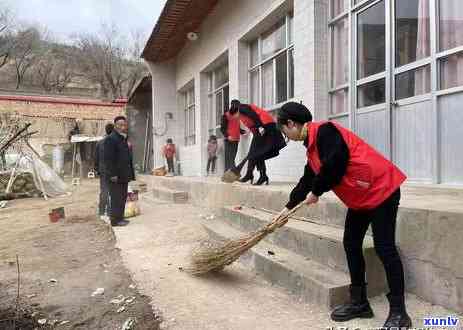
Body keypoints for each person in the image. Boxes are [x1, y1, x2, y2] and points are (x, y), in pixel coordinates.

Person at [277, 102, 411, 329]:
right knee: (351, 242)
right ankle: (359, 302)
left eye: (285, 131)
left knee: (384, 247)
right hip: (362, 196)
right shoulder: (312, 149)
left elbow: (335, 164)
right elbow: (307, 179)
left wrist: (317, 192)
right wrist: (287, 208)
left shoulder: (326, 131)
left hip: (382, 189)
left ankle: (399, 312)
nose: (287, 136)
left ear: (290, 123)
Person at [228, 99, 286, 185]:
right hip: (260, 129)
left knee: (256, 153)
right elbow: (252, 124)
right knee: (255, 153)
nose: (235, 118)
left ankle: (255, 175)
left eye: (234, 116)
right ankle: (255, 175)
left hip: (266, 126)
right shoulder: (241, 115)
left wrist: (260, 126)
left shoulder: (242, 108)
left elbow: (254, 115)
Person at [103, 116, 135, 227]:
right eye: (120, 125)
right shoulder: (111, 139)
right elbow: (108, 159)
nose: (123, 127)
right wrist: (112, 174)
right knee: (116, 198)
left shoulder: (123, 138)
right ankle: (115, 221)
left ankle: (120, 218)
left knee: (122, 197)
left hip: (123, 174)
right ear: (115, 126)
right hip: (115, 176)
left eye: (124, 125)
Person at [94, 123, 114, 223]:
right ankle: (110, 212)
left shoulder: (99, 143)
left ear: (106, 131)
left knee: (104, 191)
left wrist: (97, 170)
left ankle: (101, 211)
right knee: (112, 192)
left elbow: (96, 158)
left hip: (103, 171)